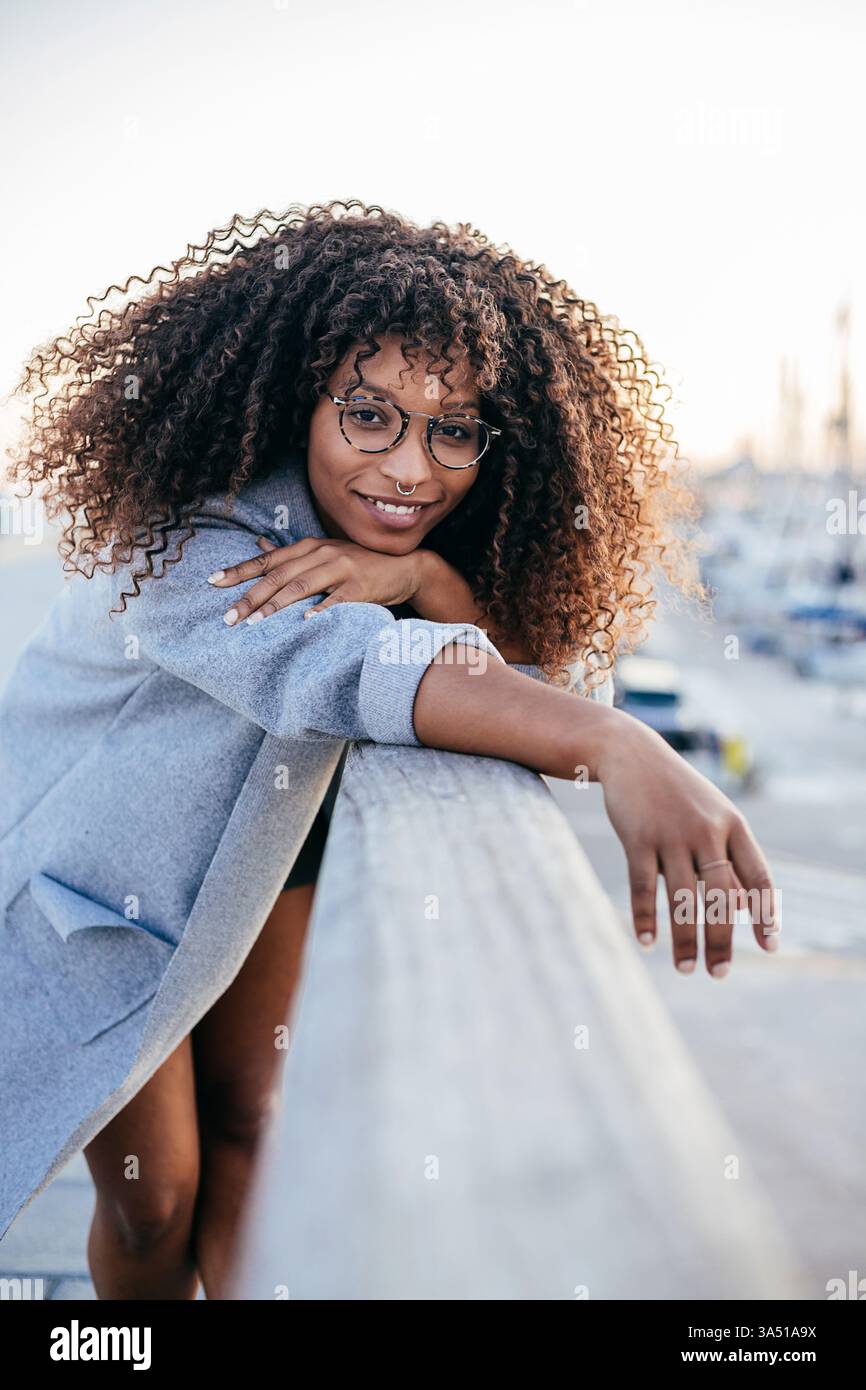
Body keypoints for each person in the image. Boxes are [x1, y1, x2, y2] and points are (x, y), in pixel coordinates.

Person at [0, 199, 776, 1299]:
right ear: (290, 403)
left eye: (451, 429)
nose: (411, 467)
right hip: (98, 891)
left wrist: (417, 580)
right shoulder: (196, 541)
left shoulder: (409, 536)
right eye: (368, 416)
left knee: (253, 1134)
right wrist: (617, 746)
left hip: (264, 854)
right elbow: (356, 669)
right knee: (154, 1192)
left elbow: (513, 660)